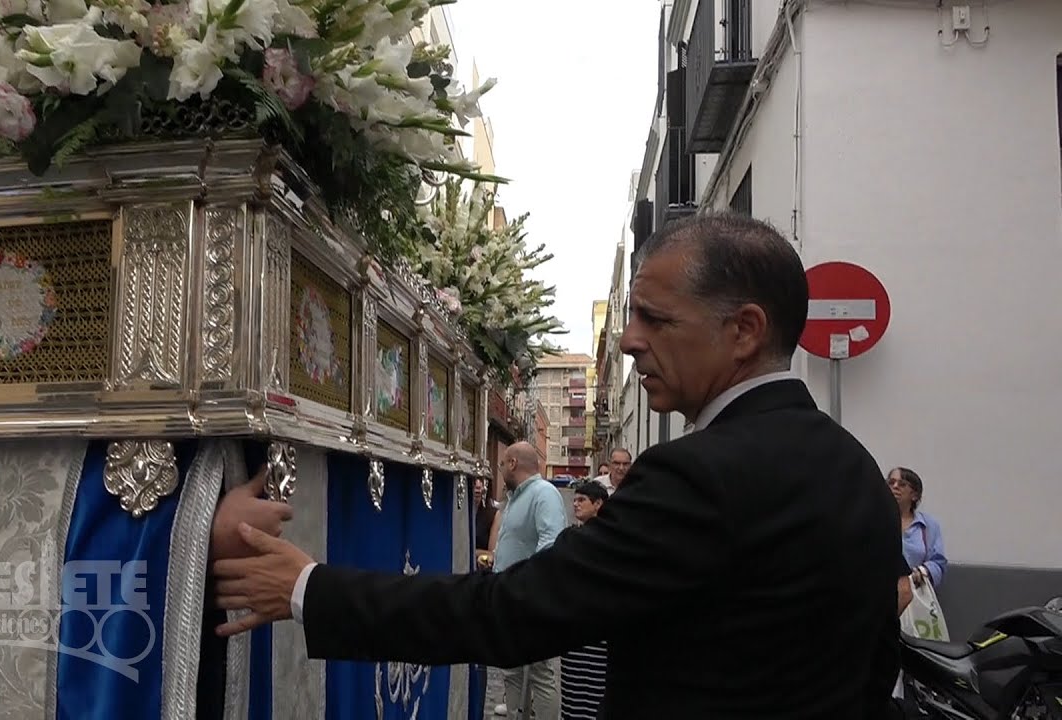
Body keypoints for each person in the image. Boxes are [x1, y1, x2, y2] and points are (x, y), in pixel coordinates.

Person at [211, 213, 904, 718]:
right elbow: (877, 670)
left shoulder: (700, 476)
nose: (629, 342)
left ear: (744, 331)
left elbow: (514, 611)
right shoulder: (857, 472)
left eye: (655, 321)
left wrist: (307, 587)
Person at [489, 442, 568, 720]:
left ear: (512, 464)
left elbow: (551, 541)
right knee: (512, 667)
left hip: (529, 595)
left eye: (502, 464)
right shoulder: (515, 498)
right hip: (510, 594)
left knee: (540, 671)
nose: (501, 470)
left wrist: (526, 583)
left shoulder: (543, 493)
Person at [560, 481, 610, 719]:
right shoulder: (572, 536)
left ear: (598, 504)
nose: (576, 504)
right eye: (575, 499)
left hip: (599, 629)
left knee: (595, 690)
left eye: (582, 500)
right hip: (574, 626)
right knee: (573, 691)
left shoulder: (610, 541)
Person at [888, 467, 948, 591]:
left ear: (914, 495)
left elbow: (938, 562)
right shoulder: (875, 520)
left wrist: (923, 571)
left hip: (915, 592)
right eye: (891, 482)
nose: (895, 486)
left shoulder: (928, 526)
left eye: (902, 484)